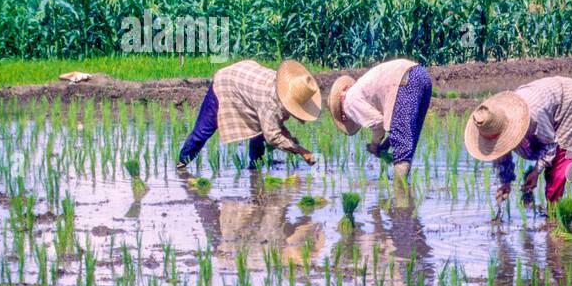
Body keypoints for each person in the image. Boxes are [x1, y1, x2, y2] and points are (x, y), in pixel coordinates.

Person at [464, 76, 572, 213]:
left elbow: (550, 145)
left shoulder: (529, 117)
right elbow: (502, 154)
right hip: (556, 106)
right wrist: (506, 182)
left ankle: (553, 219)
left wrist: (536, 171)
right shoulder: (497, 121)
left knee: (557, 170)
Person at [177, 59, 321, 170]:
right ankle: (182, 164)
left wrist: (292, 142)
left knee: (258, 131)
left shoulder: (286, 86)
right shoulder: (270, 103)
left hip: (247, 82)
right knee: (204, 130)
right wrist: (302, 151)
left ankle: (255, 168)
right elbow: (273, 136)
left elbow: (274, 125)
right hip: (226, 82)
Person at [327, 58, 432, 185]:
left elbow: (378, 124)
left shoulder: (348, 102)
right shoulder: (361, 88)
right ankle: (405, 189)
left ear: (343, 116)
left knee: (403, 148)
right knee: (408, 139)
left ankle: (401, 196)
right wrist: (385, 146)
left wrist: (374, 145)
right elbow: (396, 130)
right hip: (421, 74)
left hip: (404, 81)